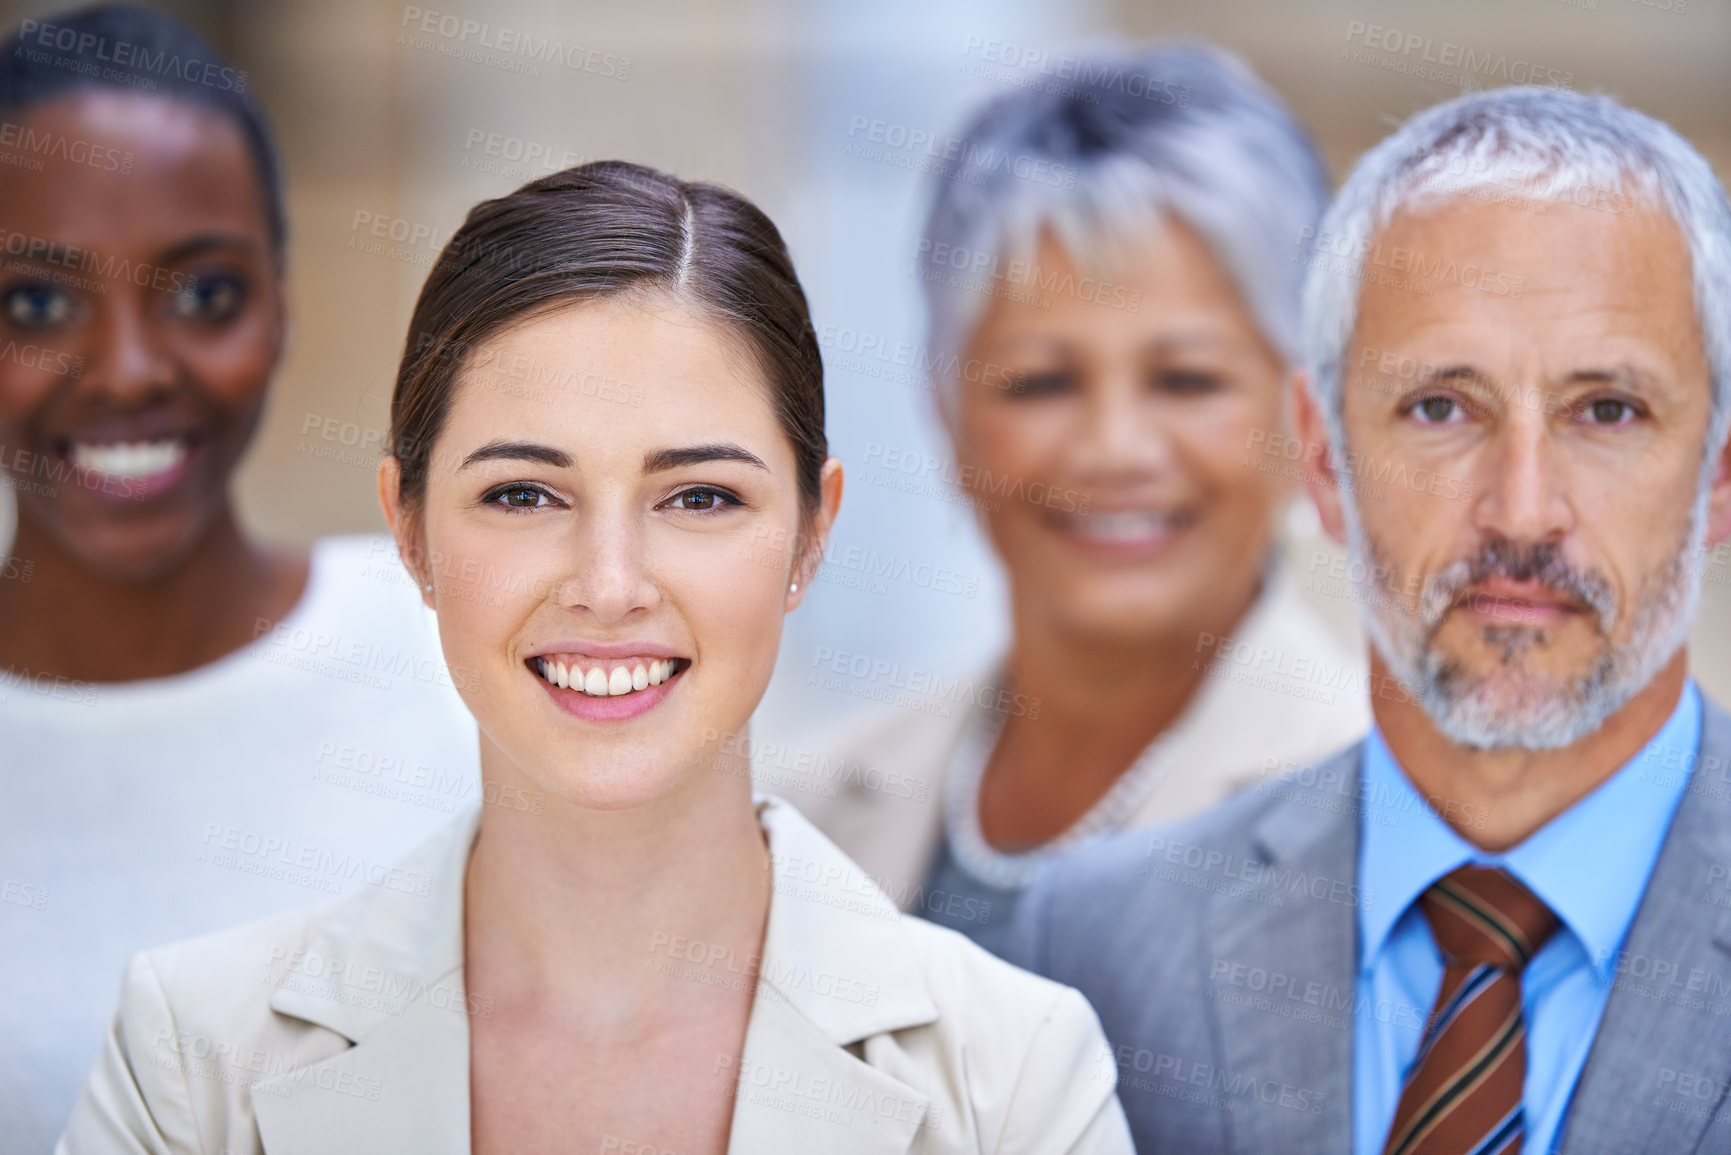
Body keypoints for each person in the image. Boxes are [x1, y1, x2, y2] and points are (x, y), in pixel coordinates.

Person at [57, 160, 1133, 1155]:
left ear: (812, 532)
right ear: (410, 531)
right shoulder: (191, 1062)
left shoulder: (1014, 1081)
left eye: (699, 497)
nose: (610, 585)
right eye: (524, 495)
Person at [1005, 84, 1731, 1153]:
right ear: (1322, 458)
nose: (1523, 509)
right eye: (1440, 407)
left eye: (1607, 410)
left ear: (1719, 472)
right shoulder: (1093, 950)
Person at [0, 8, 477, 1148]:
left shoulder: (457, 653)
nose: (125, 372)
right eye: (37, 305)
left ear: (281, 301)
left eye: (203, 294)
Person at [786, 45, 1368, 951]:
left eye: (1185, 379)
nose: (1113, 448)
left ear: (1309, 411)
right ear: (945, 409)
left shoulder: (1387, 834)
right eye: (1040, 382)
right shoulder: (793, 816)